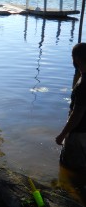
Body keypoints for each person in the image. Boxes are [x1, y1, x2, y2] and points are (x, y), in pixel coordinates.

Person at [56, 42, 86, 172]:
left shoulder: (83, 84)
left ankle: (69, 191)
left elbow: (77, 114)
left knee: (70, 168)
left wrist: (62, 134)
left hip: (79, 134)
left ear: (77, 59)